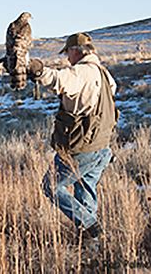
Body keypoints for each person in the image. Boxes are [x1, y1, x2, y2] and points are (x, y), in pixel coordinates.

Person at [25, 33, 118, 246]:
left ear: (76, 51)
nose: (67, 58)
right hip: (101, 147)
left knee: (51, 187)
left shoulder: (81, 72)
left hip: (81, 149)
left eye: (68, 53)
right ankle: (90, 246)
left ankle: (90, 226)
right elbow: (112, 92)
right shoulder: (104, 74)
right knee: (85, 192)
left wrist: (38, 71)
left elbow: (59, 79)